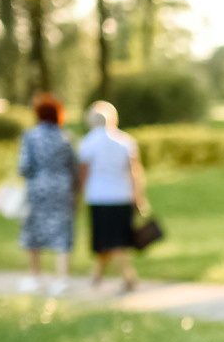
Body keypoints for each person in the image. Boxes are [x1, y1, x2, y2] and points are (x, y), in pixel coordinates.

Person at [77, 101, 148, 292]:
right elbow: (135, 172)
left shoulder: (87, 143)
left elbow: (83, 174)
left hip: (98, 197)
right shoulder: (125, 141)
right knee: (111, 240)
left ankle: (125, 275)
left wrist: (76, 197)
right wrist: (138, 197)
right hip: (121, 195)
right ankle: (99, 276)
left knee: (110, 240)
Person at [16, 94, 78, 295]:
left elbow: (24, 166)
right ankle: (62, 278)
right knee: (62, 231)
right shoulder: (66, 138)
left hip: (38, 189)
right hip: (62, 189)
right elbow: (74, 167)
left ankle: (36, 276)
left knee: (34, 230)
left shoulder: (31, 137)